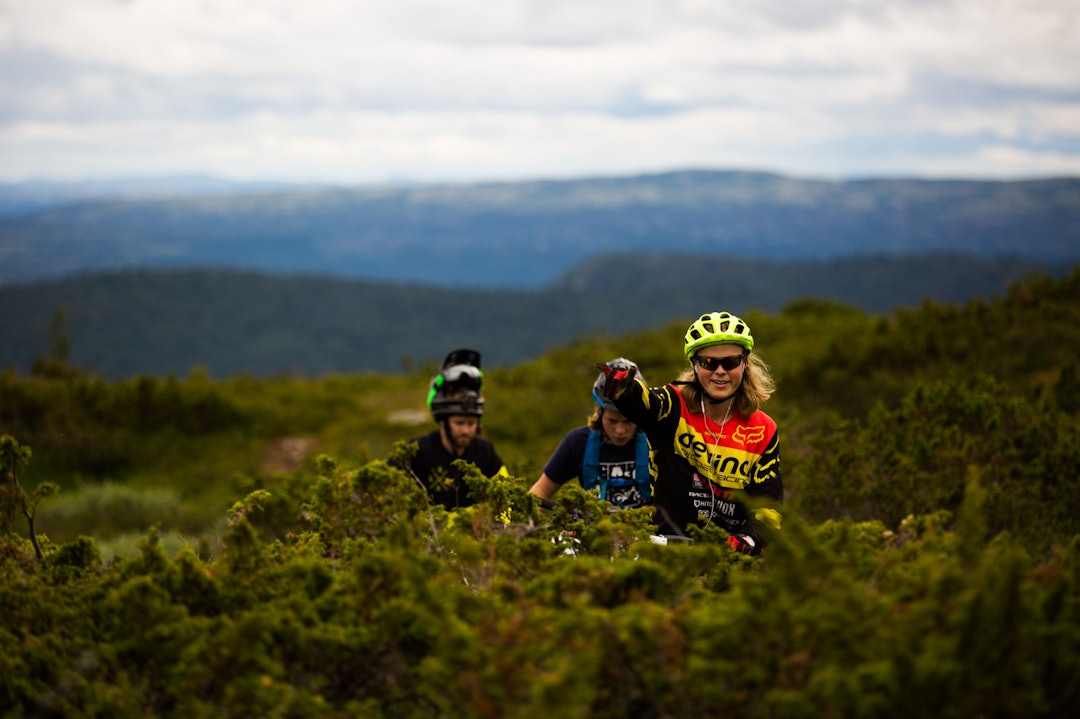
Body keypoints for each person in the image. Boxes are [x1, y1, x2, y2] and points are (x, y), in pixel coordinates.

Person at [597, 312, 782, 554]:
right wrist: (624, 391)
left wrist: (749, 540)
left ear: (745, 363)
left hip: (728, 558)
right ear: (695, 364)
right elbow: (646, 403)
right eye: (708, 363)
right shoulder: (673, 405)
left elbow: (768, 508)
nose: (719, 371)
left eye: (730, 362)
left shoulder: (763, 430)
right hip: (666, 550)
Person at [529, 358, 654, 510]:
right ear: (600, 414)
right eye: (612, 421)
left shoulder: (656, 441)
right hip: (593, 531)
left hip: (648, 532)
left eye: (628, 422)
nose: (620, 431)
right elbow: (539, 493)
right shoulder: (578, 442)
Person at [401, 348, 508, 509]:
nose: (466, 430)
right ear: (442, 421)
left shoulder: (486, 453)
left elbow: (505, 498)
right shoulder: (417, 453)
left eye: (471, 424)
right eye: (459, 423)